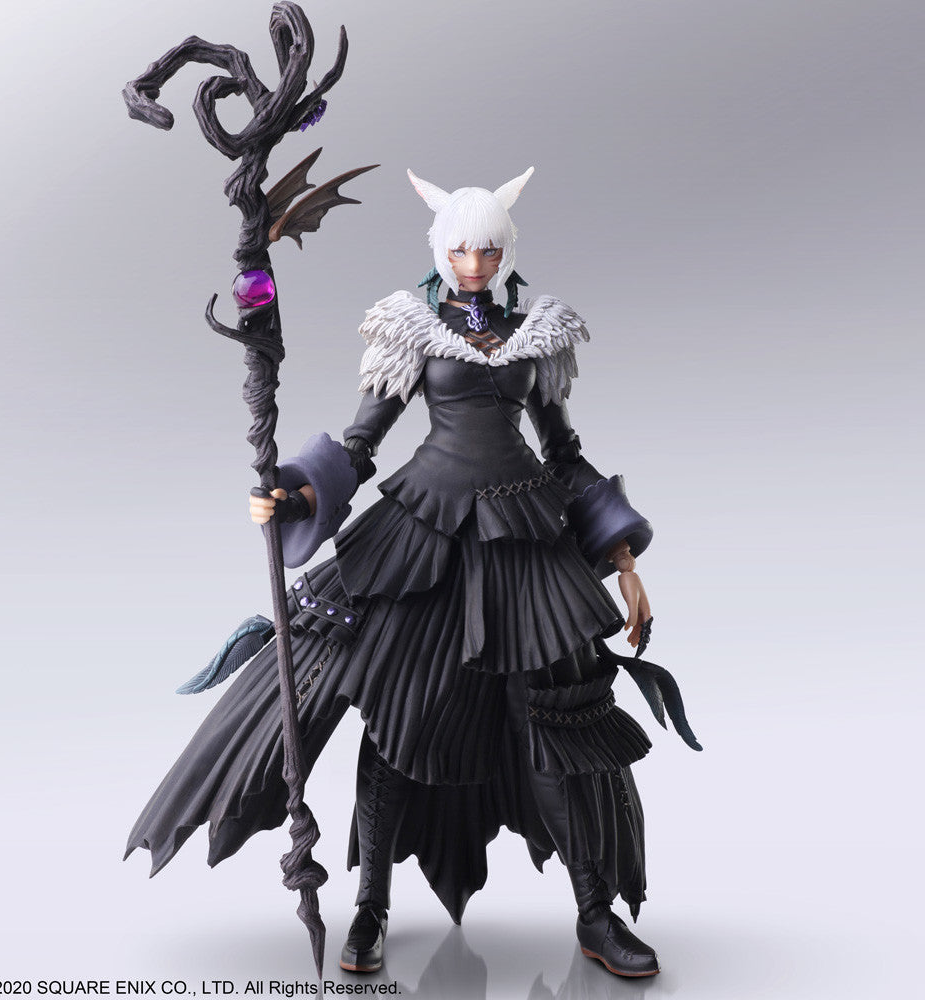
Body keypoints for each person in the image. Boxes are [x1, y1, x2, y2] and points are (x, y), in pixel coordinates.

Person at [127, 167, 692, 979]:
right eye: (460, 249)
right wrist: (294, 493)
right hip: (426, 535)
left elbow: (564, 453)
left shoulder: (534, 329)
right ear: (440, 248)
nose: (474, 264)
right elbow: (362, 442)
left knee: (554, 724)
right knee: (400, 720)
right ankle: (371, 906)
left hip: (523, 538)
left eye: (487, 249)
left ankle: (594, 912)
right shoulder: (412, 327)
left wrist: (625, 558)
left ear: (505, 248)